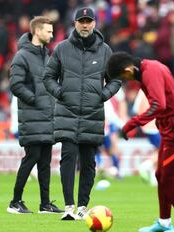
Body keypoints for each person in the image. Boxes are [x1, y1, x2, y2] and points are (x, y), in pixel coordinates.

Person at [106, 52, 174, 232]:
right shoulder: (151, 67)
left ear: (128, 69)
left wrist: (132, 124)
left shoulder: (150, 71)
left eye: (123, 77)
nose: (125, 81)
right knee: (160, 175)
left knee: (170, 182)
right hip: (170, 130)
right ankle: (164, 222)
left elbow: (159, 105)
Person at [43, 7, 121, 220]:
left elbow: (116, 78)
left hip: (92, 114)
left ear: (94, 23)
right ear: (74, 23)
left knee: (89, 163)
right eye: (81, 21)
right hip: (67, 113)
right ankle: (69, 207)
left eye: (88, 21)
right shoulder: (62, 49)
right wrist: (61, 93)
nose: (85, 25)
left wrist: (103, 95)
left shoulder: (105, 50)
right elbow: (48, 77)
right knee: (67, 159)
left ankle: (83, 207)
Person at [7, 16, 63, 214]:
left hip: (47, 116)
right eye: (48, 31)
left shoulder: (47, 56)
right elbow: (15, 84)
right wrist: (35, 99)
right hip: (32, 116)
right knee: (31, 157)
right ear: (37, 31)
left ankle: (45, 204)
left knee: (45, 162)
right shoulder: (22, 56)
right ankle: (15, 202)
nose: (52, 34)